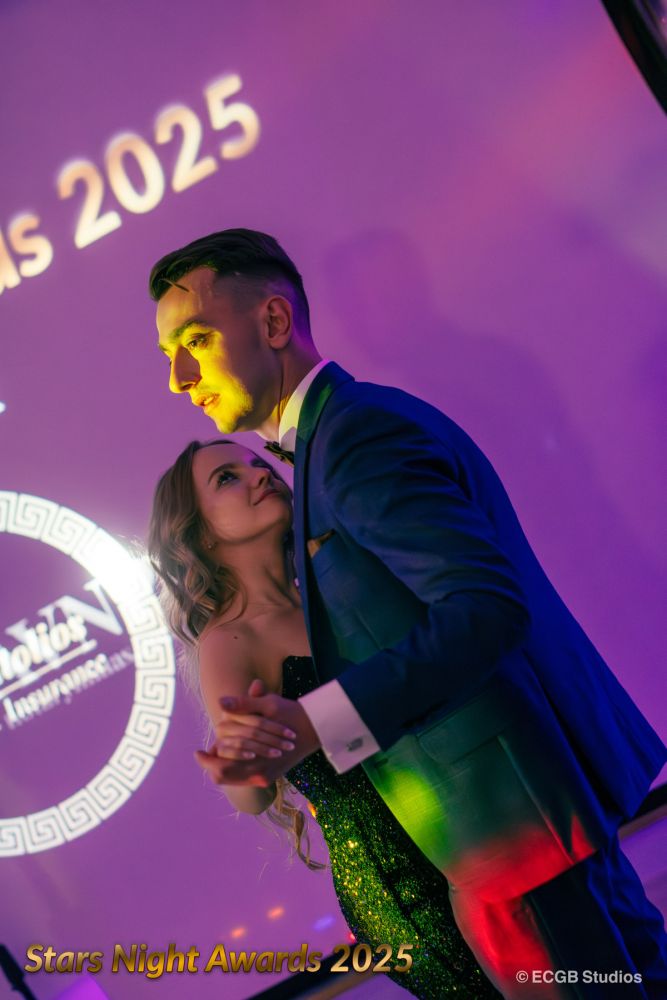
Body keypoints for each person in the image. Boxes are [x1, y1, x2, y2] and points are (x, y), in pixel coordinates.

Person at [149, 229, 667, 998]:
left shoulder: (354, 438)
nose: (179, 378)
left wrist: (314, 722)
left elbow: (484, 609)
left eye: (195, 340)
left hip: (513, 823)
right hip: (514, 822)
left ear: (273, 322)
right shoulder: (341, 436)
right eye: (170, 355)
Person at [148, 438, 500, 999]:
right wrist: (245, 767)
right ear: (201, 534)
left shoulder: (331, 585)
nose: (259, 475)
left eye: (259, 464)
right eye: (227, 478)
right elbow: (250, 794)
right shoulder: (229, 640)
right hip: (400, 881)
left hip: (470, 833)